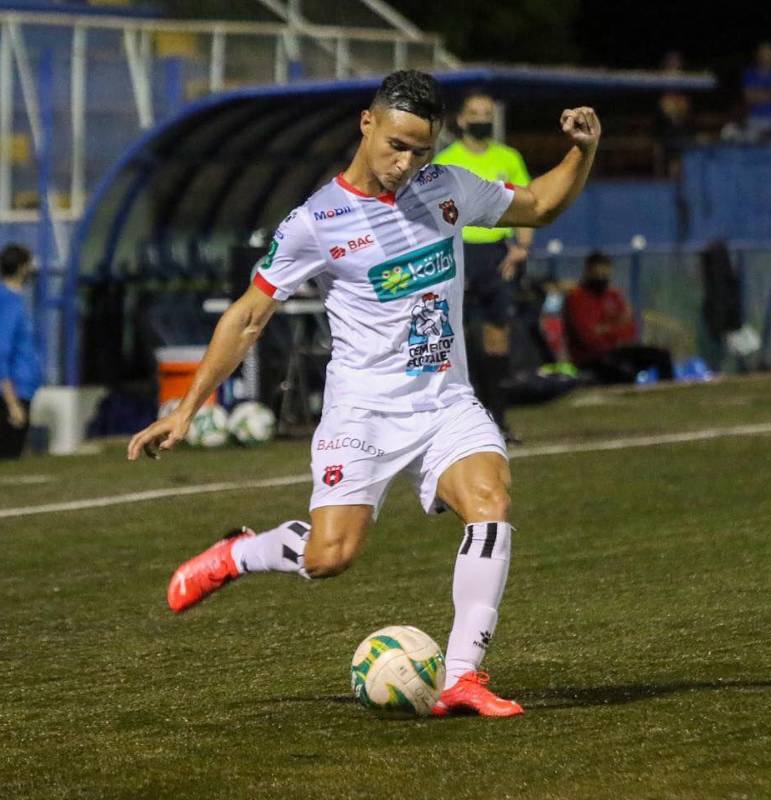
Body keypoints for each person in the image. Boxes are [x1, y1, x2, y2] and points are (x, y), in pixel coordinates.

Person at [127, 70, 602, 717]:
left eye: (422, 151)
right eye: (398, 146)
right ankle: (237, 553)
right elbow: (248, 316)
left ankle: (462, 677)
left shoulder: (449, 189)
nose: (408, 163)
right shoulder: (317, 221)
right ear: (367, 123)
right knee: (330, 557)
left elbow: (541, 205)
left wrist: (582, 151)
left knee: (490, 501)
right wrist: (186, 410)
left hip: (444, 404)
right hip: (364, 413)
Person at [433, 91, 532, 443]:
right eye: (474, 112)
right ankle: (463, 422)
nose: (481, 118)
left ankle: (499, 419)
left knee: (497, 334)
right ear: (461, 119)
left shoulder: (508, 158)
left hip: (496, 253)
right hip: (459, 251)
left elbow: (527, 203)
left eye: (487, 112)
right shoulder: (447, 159)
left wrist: (522, 247)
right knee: (457, 337)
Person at [563, 251, 673, 384]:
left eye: (604, 273)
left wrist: (605, 330)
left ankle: (668, 393)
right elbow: (588, 337)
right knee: (623, 370)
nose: (601, 277)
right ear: (588, 271)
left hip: (617, 351)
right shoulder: (576, 298)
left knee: (661, 355)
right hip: (590, 358)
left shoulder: (614, 295)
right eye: (597, 273)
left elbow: (628, 329)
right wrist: (613, 329)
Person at [0, 243, 43, 460]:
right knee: (7, 454)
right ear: (21, 268)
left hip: (21, 388)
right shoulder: (7, 302)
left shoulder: (13, 301)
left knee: (13, 453)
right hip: (13, 390)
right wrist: (11, 401)